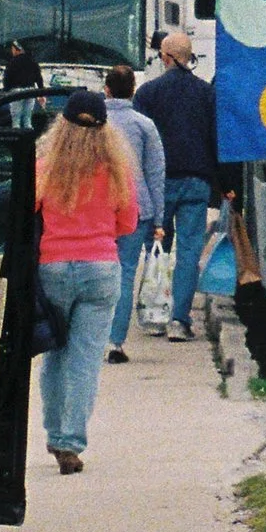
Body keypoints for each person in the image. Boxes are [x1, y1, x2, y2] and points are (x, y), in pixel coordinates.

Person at [35, 92, 138, 472]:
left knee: (55, 354)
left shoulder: (45, 167)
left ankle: (53, 433)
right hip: (101, 268)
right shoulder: (116, 171)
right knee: (85, 359)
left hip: (53, 267)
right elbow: (127, 224)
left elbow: (22, 210)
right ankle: (71, 443)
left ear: (61, 126)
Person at [136, 25, 224, 342]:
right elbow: (216, 141)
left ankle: (155, 315)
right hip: (196, 182)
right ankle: (179, 320)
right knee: (189, 252)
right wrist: (221, 182)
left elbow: (139, 144)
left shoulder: (147, 93)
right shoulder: (206, 93)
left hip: (158, 185)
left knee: (157, 250)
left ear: (166, 57)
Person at [100, 59, 166, 364]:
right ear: (133, 91)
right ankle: (116, 342)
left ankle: (91, 338)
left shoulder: (95, 124)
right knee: (125, 273)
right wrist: (159, 219)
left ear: (107, 89)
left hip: (98, 208)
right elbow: (155, 173)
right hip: (136, 208)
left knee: (96, 270)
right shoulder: (144, 125)